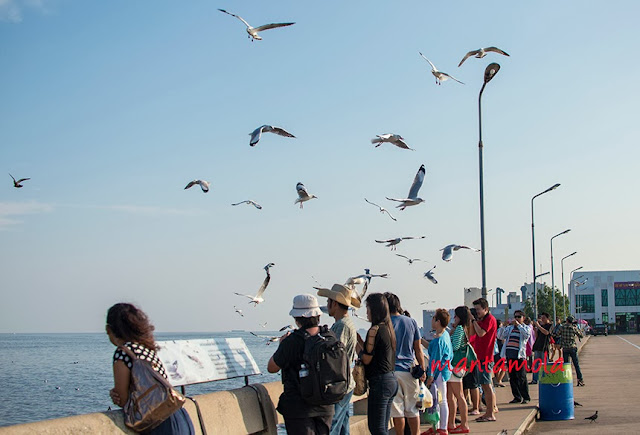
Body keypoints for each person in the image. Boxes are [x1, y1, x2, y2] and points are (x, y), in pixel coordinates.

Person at [106, 303, 195, 434]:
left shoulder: (123, 352)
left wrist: (116, 395)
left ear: (109, 329)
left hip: (161, 423)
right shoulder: (146, 348)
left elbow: (123, 400)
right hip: (179, 415)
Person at [267, 294, 335, 434]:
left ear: (297, 319)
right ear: (318, 316)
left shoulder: (292, 341)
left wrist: (281, 345)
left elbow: (272, 367)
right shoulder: (330, 337)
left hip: (299, 407)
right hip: (326, 405)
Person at [317, 284, 359, 435]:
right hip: (346, 383)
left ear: (334, 303)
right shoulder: (345, 324)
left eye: (328, 302)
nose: (327, 306)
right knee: (342, 428)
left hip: (339, 385)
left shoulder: (341, 326)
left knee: (332, 427)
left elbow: (335, 355)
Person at [383, 293, 426, 435]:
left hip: (392, 371)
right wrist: (423, 369)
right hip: (409, 370)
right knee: (413, 410)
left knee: (397, 411)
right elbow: (418, 349)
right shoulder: (411, 322)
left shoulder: (385, 324)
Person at [356, 293, 398, 435]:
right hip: (391, 380)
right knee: (383, 428)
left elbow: (367, 358)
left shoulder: (374, 330)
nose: (366, 312)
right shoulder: (388, 329)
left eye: (367, 308)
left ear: (374, 309)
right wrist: (361, 342)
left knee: (377, 429)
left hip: (379, 382)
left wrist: (357, 348)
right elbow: (375, 352)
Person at [423, 308, 452, 435]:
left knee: (440, 400)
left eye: (434, 318)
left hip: (439, 373)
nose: (432, 320)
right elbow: (432, 348)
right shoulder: (445, 335)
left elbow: (434, 360)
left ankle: (442, 427)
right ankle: (439, 426)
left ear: (438, 321)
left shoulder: (439, 340)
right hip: (444, 371)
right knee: (440, 399)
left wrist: (430, 376)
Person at [447, 306, 473, 434]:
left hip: (455, 366)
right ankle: (451, 424)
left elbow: (454, 347)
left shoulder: (458, 329)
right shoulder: (464, 329)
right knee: (451, 396)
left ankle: (464, 424)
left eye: (456, 316)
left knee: (458, 396)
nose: (454, 318)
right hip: (459, 366)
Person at [470, 298, 497, 422]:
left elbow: (481, 333)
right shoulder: (481, 320)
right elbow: (472, 334)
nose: (477, 312)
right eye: (475, 310)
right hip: (480, 357)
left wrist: (474, 320)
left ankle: (490, 412)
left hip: (486, 357)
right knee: (485, 385)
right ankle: (488, 412)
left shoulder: (490, 319)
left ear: (486, 309)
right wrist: (472, 321)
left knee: (487, 385)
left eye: (478, 309)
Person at [498, 310, 531, 404]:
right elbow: (500, 336)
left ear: (523, 318)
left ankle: (525, 396)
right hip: (510, 354)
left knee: (521, 376)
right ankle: (517, 396)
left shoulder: (525, 327)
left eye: (519, 317)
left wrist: (519, 325)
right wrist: (503, 326)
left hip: (519, 356)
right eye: (515, 317)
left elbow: (526, 335)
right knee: (512, 377)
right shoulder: (510, 328)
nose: (516, 319)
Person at [559, 316, 585, 387]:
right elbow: (581, 336)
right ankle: (580, 379)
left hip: (565, 348)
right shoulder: (574, 328)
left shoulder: (562, 328)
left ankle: (567, 380)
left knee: (566, 365)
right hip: (572, 347)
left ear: (567, 320)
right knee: (576, 365)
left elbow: (557, 334)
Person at [530, 313, 552, 384]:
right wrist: (535, 329)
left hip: (544, 348)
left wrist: (538, 326)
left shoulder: (550, 326)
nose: (542, 319)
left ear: (548, 319)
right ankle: (535, 379)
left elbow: (546, 333)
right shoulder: (541, 326)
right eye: (541, 318)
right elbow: (537, 336)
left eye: (544, 318)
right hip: (538, 347)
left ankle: (545, 379)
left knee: (545, 365)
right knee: (536, 365)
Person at [493, 319, 507, 387]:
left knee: (496, 366)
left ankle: (497, 380)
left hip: (495, 350)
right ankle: (499, 380)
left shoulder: (494, 331)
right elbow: (503, 339)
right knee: (504, 366)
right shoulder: (501, 331)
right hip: (501, 349)